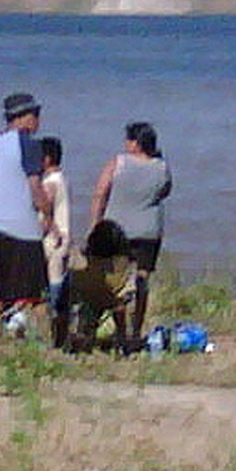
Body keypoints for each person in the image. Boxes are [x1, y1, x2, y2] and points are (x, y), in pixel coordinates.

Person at [0, 93, 53, 338]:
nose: (38, 121)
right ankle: (46, 343)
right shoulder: (28, 144)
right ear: (25, 118)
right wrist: (47, 212)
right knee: (36, 292)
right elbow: (35, 186)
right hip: (22, 228)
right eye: (36, 115)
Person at [90, 122, 172, 353]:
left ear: (136, 143)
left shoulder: (118, 163)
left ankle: (121, 332)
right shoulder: (162, 167)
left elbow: (100, 193)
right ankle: (136, 332)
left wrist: (95, 224)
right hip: (148, 231)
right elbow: (165, 191)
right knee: (142, 281)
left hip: (118, 230)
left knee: (117, 284)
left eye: (128, 140)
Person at [40, 137, 71, 347]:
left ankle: (48, 336)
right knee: (60, 287)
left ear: (47, 159)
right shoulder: (63, 179)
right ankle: (60, 336)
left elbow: (45, 208)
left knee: (51, 290)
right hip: (64, 240)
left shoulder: (50, 183)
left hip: (52, 242)